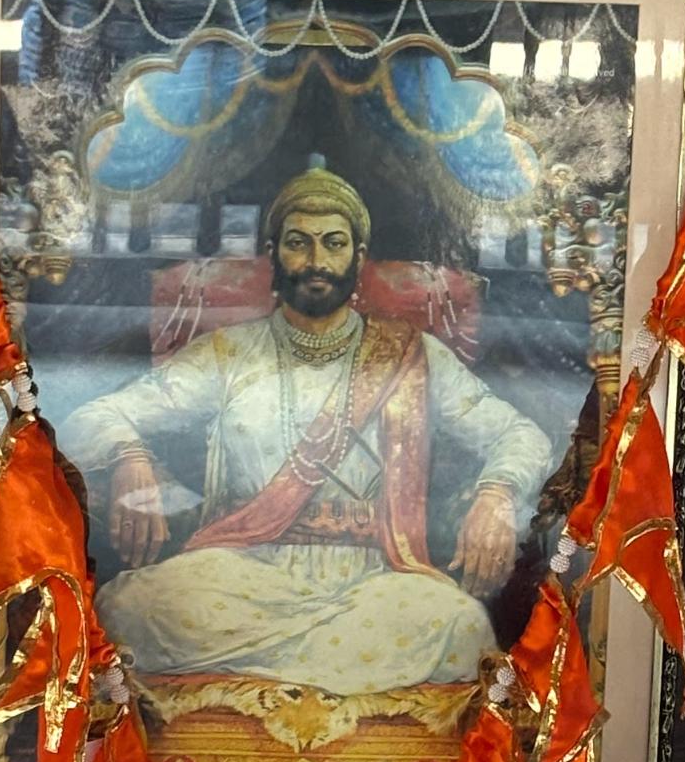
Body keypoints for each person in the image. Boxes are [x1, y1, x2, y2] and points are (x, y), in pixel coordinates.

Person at [59, 164, 553, 695]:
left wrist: (496, 494)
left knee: (461, 626)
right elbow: (90, 417)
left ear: (358, 258)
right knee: (128, 609)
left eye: (334, 244)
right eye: (298, 243)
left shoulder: (413, 357)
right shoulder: (228, 355)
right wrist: (131, 457)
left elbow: (522, 436)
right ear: (273, 255)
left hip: (374, 582)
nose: (317, 260)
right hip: (240, 576)